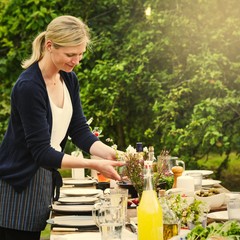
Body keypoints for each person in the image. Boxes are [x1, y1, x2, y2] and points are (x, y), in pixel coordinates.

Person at [0, 15, 124, 240]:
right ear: (49, 46)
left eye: (80, 54)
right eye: (70, 54)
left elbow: (79, 130)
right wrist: (93, 164)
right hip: (17, 185)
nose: (76, 60)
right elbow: (41, 152)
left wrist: (114, 155)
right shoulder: (29, 86)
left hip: (43, 179)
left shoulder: (69, 79)